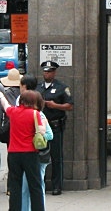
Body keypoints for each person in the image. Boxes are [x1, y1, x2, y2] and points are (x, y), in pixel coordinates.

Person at [0, 87, 47, 211]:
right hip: (30, 153)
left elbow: (5, 105)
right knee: (35, 185)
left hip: (14, 153)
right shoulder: (35, 114)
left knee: (15, 185)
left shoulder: (13, 112)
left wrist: (1, 95)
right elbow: (42, 131)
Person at [36, 59, 73, 195]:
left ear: (54, 72)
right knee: (40, 156)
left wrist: (54, 105)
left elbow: (70, 106)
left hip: (55, 125)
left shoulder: (61, 87)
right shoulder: (38, 88)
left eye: (50, 71)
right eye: (45, 71)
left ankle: (57, 186)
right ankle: (41, 184)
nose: (47, 74)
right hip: (41, 127)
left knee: (56, 157)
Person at [20, 80, 54, 211]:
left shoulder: (39, 115)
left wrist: (37, 136)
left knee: (33, 186)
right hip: (35, 155)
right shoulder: (33, 114)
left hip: (37, 155)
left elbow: (50, 135)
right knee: (30, 186)